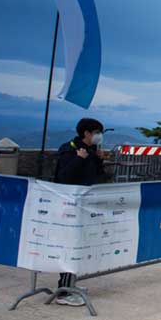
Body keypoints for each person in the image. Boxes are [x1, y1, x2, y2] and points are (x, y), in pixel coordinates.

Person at [53, 118, 107, 306]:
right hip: (70, 206)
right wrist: (79, 159)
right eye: (97, 132)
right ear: (86, 133)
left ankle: (71, 284)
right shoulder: (70, 150)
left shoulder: (91, 152)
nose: (99, 136)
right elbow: (63, 176)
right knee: (70, 245)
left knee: (80, 245)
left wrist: (99, 160)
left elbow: (97, 175)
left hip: (87, 203)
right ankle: (64, 291)